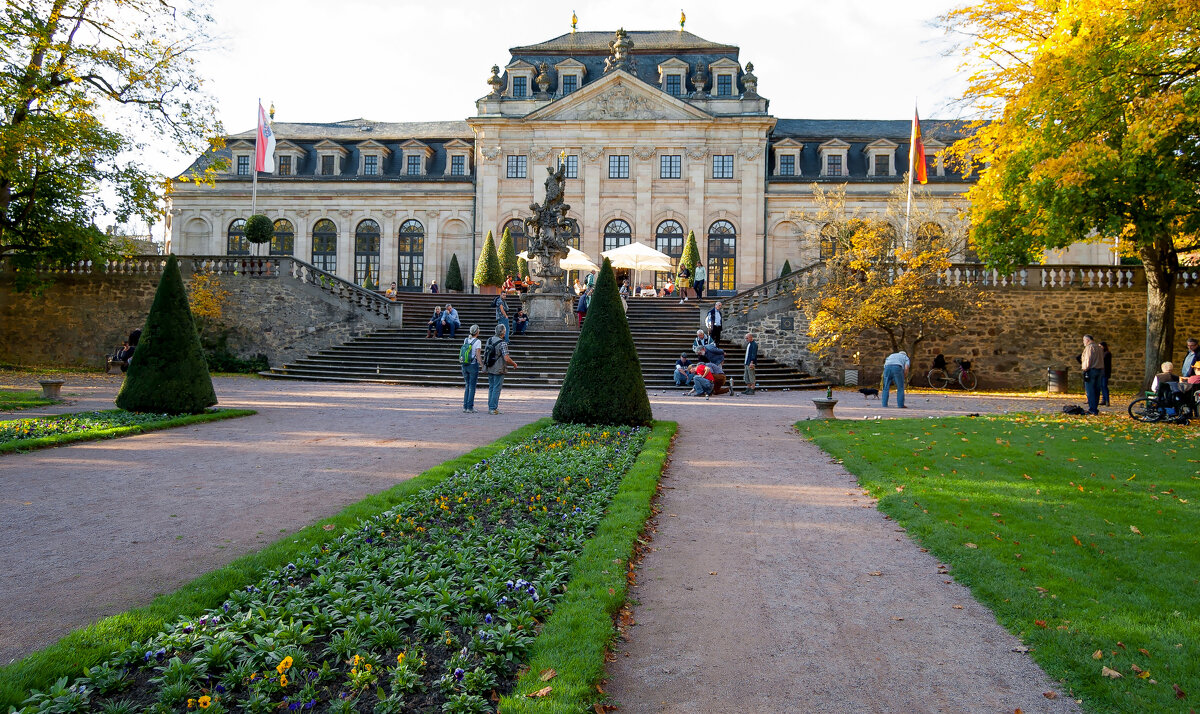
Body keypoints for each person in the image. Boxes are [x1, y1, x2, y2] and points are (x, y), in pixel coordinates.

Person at [484, 323, 518, 414]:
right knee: (496, 388)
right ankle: (493, 408)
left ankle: (491, 406)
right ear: (503, 332)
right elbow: (506, 358)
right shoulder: (503, 343)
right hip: (499, 368)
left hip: (490, 366)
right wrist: (514, 363)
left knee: (491, 387)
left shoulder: (489, 340)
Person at [460, 325, 482, 413]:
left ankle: (465, 406)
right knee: (472, 387)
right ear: (477, 332)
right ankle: (470, 407)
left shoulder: (466, 340)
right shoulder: (478, 341)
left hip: (464, 364)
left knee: (467, 385)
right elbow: (478, 355)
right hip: (473, 365)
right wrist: (482, 365)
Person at [1080, 334, 1105, 415]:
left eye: (1084, 340)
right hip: (1099, 370)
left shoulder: (1089, 348)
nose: (1083, 342)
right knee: (1097, 390)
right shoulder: (1099, 348)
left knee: (1090, 391)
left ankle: (1092, 409)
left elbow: (1088, 359)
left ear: (1087, 340)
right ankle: (1095, 408)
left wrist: (1085, 369)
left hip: (1091, 371)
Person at [1100, 341, 1113, 406]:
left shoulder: (1107, 354)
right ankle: (1103, 400)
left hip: (1105, 372)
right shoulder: (1103, 353)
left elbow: (1104, 362)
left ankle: (1107, 400)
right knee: (1102, 386)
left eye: (1100, 346)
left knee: (1104, 386)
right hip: (1102, 372)